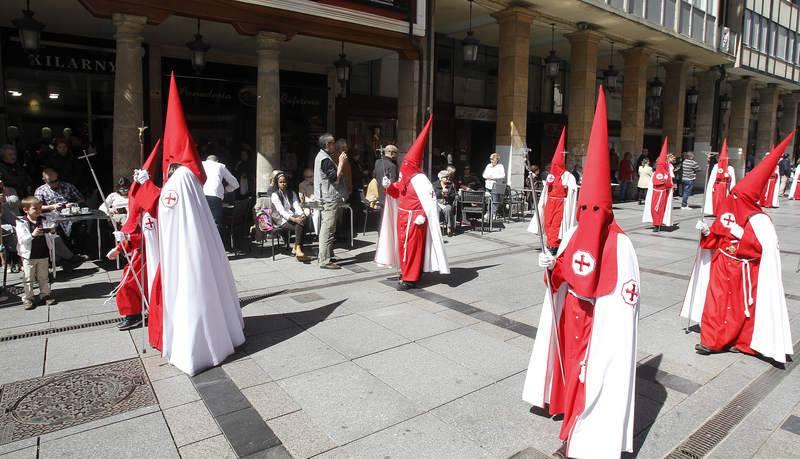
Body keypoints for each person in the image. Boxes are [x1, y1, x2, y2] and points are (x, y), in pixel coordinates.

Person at [523, 87, 638, 459]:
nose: (588, 212)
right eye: (584, 206)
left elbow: (624, 303)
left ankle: (577, 436)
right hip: (570, 316)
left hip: (597, 324)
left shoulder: (622, 247)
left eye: (594, 206)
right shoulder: (575, 231)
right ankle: (560, 406)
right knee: (569, 370)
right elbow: (563, 273)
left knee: (590, 377)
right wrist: (551, 267)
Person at [682, 132, 795, 363]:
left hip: (744, 270)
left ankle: (740, 341)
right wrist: (706, 232)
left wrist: (740, 234)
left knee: (739, 308)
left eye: (738, 196)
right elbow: (716, 237)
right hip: (721, 263)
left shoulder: (760, 220)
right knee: (716, 303)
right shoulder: (727, 209)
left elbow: (762, 250)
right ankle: (711, 340)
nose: (733, 198)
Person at [376, 117, 449, 290]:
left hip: (415, 220)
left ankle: (411, 278)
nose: (404, 165)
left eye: (408, 163)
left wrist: (422, 216)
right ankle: (404, 272)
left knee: (413, 249)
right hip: (402, 218)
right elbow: (397, 191)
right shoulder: (406, 176)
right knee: (403, 248)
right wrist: (388, 186)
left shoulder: (421, 180)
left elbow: (430, 202)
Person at [528, 128, 577, 255]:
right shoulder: (550, 175)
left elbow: (573, 190)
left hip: (560, 203)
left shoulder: (568, 176)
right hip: (550, 202)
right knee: (548, 223)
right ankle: (550, 242)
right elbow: (545, 191)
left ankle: (553, 245)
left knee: (556, 225)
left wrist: (568, 187)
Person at [16, 197, 56, 310]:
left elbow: (52, 237)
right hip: (29, 255)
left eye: (40, 208)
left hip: (43, 253)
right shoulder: (21, 222)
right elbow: (22, 240)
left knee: (43, 276)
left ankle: (45, 294)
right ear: (26, 209)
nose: (39, 210)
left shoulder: (44, 219)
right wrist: (33, 234)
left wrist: (52, 232)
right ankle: (28, 297)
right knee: (29, 277)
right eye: (35, 208)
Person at [314, 133, 347, 269]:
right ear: (327, 145)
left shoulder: (322, 157)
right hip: (328, 198)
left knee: (328, 227)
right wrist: (341, 163)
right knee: (327, 228)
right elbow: (335, 178)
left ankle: (326, 254)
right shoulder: (325, 159)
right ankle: (324, 260)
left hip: (325, 196)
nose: (335, 145)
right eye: (333, 143)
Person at [106, 227, 145, 331]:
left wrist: (128, 237)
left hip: (145, 256)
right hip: (138, 254)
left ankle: (134, 315)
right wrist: (119, 248)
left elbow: (150, 235)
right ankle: (133, 314)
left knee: (128, 285)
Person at [271, 172, 308, 260]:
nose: (283, 183)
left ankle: (297, 249)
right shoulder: (275, 195)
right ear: (277, 183)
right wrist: (295, 220)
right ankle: (297, 248)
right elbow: (281, 211)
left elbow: (296, 206)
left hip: (292, 216)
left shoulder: (292, 193)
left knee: (302, 220)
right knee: (300, 224)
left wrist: (302, 215)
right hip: (280, 219)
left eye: (284, 181)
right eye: (281, 182)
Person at [202, 155, 240, 235]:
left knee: (200, 221)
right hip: (214, 196)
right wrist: (226, 190)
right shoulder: (220, 166)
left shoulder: (200, 164)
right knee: (215, 222)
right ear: (217, 161)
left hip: (200, 195)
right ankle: (214, 245)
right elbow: (235, 184)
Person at [643, 139, 673, 231]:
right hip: (655, 193)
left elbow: (668, 184)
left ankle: (658, 224)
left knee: (659, 209)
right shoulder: (655, 173)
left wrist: (668, 184)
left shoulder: (666, 173)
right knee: (654, 208)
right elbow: (653, 183)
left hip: (662, 193)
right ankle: (655, 223)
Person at [703, 140, 736, 216]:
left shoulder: (730, 168)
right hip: (717, 186)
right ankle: (715, 211)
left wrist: (728, 177)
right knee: (716, 199)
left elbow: (732, 180)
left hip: (725, 186)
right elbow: (713, 177)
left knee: (724, 200)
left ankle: (722, 212)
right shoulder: (716, 166)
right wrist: (712, 186)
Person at [482, 153, 506, 220]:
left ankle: (494, 213)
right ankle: (488, 212)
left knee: (495, 200)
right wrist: (489, 177)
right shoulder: (488, 165)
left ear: (497, 160)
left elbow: (502, 175)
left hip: (495, 185)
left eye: (493, 159)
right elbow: (484, 175)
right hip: (488, 185)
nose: (491, 161)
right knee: (488, 200)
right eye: (491, 159)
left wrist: (492, 177)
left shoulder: (500, 166)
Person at [436, 170, 457, 237]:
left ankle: (449, 228)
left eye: (448, 177)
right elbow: (433, 194)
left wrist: (447, 195)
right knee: (438, 210)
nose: (447, 179)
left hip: (447, 202)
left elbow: (453, 195)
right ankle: (437, 228)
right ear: (441, 178)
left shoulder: (451, 185)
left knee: (448, 209)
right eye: (445, 177)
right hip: (438, 203)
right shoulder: (435, 184)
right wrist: (441, 193)